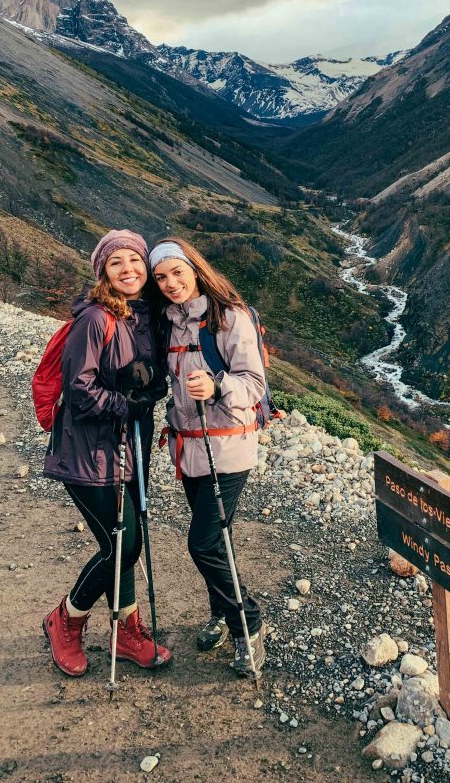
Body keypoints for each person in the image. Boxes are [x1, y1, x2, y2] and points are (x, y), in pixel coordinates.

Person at [42, 229, 171, 677]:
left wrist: (148, 386)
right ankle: (67, 620)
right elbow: (79, 389)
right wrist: (126, 402)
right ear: (103, 272)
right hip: (88, 451)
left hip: (130, 444)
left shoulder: (149, 316)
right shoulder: (95, 319)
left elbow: (154, 383)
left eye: (134, 261)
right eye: (116, 263)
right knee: (124, 544)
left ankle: (126, 631)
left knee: (125, 542)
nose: (128, 270)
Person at [149, 237, 266, 675]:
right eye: (161, 277)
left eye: (177, 272)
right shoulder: (167, 323)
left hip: (228, 450)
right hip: (188, 451)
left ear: (195, 269)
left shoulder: (228, 317)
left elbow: (253, 384)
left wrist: (218, 385)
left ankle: (247, 622)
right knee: (219, 540)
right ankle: (221, 611)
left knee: (202, 543)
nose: (171, 283)